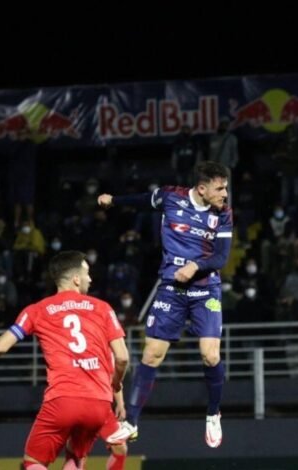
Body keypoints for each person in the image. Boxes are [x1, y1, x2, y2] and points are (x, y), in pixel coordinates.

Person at [97, 161, 232, 448]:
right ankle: (131, 422)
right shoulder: (171, 197)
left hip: (205, 290)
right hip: (171, 288)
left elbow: (221, 258)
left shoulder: (223, 214)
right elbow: (144, 201)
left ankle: (213, 413)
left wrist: (196, 266)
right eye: (220, 188)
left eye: (226, 188)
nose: (225, 194)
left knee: (209, 355)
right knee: (151, 355)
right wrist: (114, 201)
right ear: (202, 188)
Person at [0, 251, 132, 469]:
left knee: (33, 462)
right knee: (76, 458)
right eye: (87, 273)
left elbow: (0, 346)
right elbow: (122, 357)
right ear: (76, 279)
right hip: (98, 404)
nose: (90, 278)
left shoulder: (37, 310)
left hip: (62, 400)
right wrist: (116, 383)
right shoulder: (103, 308)